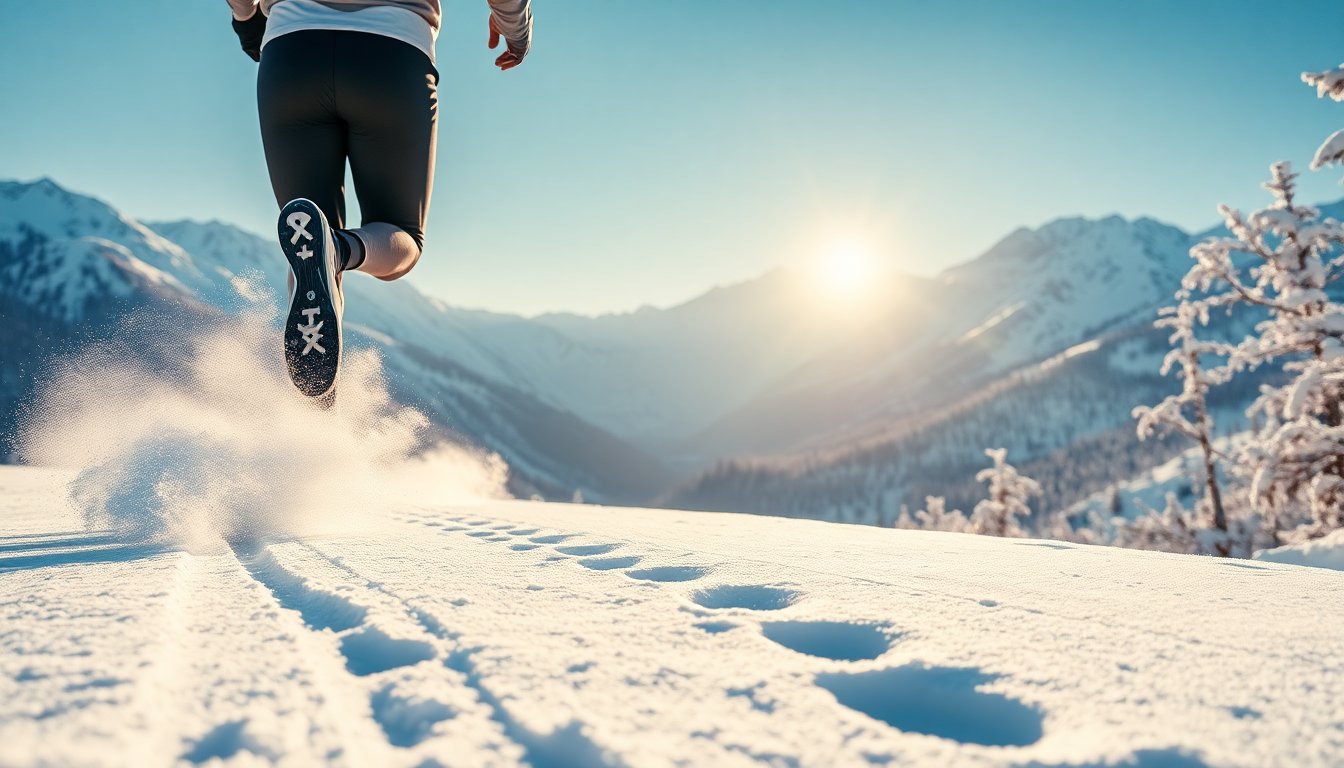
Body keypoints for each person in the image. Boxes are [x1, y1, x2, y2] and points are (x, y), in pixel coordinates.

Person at [224, 0, 532, 400]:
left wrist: (248, 21)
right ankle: (342, 248)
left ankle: (315, 405)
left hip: (291, 54)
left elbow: (246, 11)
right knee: (401, 236)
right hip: (391, 54)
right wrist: (516, 28)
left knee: (307, 240)